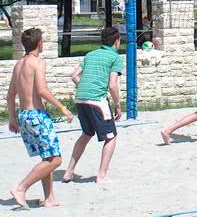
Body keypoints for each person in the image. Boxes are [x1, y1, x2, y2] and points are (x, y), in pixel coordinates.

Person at [7, 28, 74, 208]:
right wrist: (63, 108)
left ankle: (49, 197)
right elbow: (42, 90)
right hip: (37, 115)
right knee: (55, 159)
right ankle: (21, 188)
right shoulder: (37, 62)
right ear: (40, 43)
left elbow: (10, 94)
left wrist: (12, 118)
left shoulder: (19, 64)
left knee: (47, 157)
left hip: (24, 116)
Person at [63, 26, 123, 184]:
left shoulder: (90, 54)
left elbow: (74, 76)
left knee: (87, 133)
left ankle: (68, 172)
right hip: (97, 100)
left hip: (80, 98)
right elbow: (112, 85)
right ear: (117, 41)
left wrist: (85, 86)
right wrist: (118, 104)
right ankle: (102, 176)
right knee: (111, 136)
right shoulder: (115, 57)